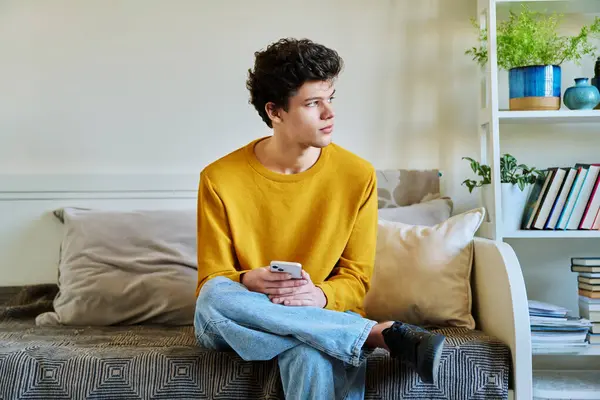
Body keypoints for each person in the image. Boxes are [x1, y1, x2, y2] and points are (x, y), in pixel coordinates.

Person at [194, 38, 446, 400]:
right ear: (275, 112)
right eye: (313, 103)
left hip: (317, 313)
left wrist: (319, 296)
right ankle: (372, 335)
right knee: (214, 296)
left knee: (309, 351)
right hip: (237, 319)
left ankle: (332, 332)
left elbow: (356, 279)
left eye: (330, 99)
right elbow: (213, 280)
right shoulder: (219, 178)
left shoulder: (357, 175)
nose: (329, 113)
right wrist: (249, 279)